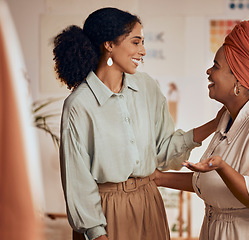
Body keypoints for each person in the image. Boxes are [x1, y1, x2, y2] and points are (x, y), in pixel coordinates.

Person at [53, 7, 224, 240]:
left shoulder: (147, 87)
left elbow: (163, 151)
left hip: (149, 204)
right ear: (109, 44)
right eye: (135, 42)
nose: (142, 50)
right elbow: (78, 182)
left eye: (142, 42)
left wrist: (215, 123)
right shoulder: (78, 105)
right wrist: (96, 233)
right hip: (105, 213)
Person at [155, 20, 249, 240]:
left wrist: (221, 167)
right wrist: (159, 178)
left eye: (216, 66)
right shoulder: (228, 116)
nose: (209, 71)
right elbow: (212, 184)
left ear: (238, 80)